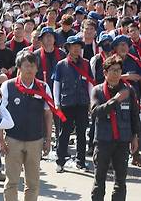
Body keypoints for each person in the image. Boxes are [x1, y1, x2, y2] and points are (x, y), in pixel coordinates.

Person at [0, 52, 58, 201]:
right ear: (19, 67)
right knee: (11, 181)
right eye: (26, 65)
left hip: (35, 140)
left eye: (33, 66)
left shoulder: (43, 87)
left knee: (33, 182)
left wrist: (48, 139)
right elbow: (0, 113)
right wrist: (0, 139)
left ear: (37, 69)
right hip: (12, 139)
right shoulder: (8, 86)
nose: (30, 69)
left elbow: (48, 114)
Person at [90, 55, 140, 201]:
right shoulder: (97, 91)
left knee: (121, 181)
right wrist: (115, 100)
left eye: (118, 70)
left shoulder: (129, 91)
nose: (116, 73)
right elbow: (95, 112)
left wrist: (135, 136)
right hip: (103, 141)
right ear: (105, 73)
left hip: (122, 140)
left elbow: (134, 116)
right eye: (112, 70)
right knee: (99, 180)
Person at [52, 35, 93, 172]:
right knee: (64, 133)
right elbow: (56, 85)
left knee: (82, 133)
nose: (76, 48)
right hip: (66, 104)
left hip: (82, 103)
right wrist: (56, 103)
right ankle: (60, 161)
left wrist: (91, 102)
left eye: (78, 46)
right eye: (73, 46)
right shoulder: (61, 65)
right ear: (68, 48)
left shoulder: (86, 64)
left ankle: (80, 161)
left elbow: (90, 84)